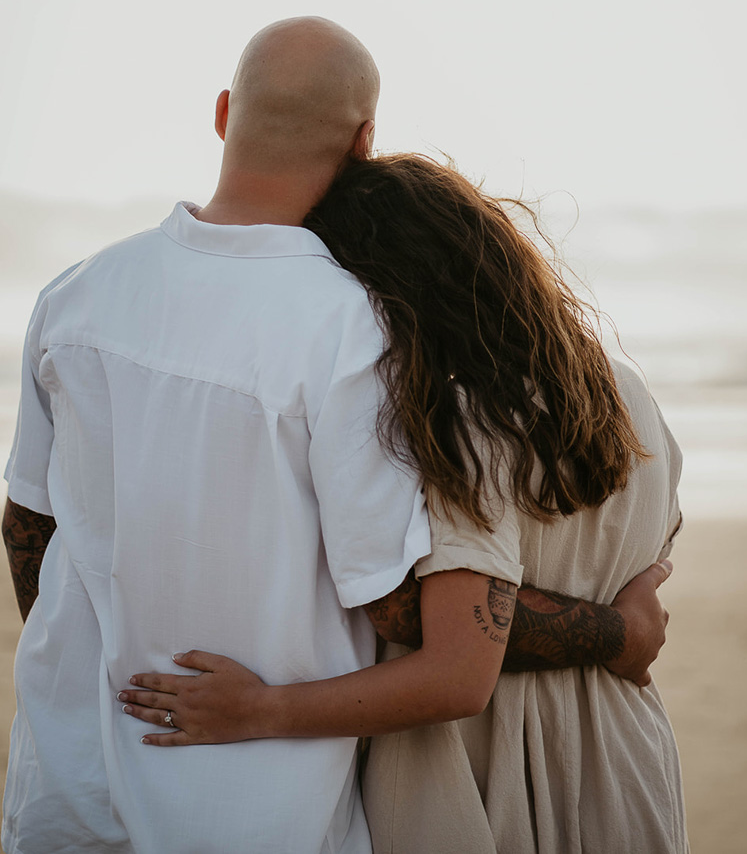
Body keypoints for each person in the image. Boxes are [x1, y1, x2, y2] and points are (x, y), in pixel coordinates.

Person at [2, 19, 670, 854]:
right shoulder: (357, 330)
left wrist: (94, 670)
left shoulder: (75, 295)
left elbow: (29, 530)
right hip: (258, 803)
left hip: (69, 786)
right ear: (364, 141)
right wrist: (613, 631)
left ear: (221, 113)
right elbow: (405, 607)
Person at [120, 153, 686, 853]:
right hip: (625, 764)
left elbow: (455, 673)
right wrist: (619, 629)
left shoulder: (465, 417)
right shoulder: (622, 388)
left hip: (485, 778)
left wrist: (257, 708)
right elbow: (649, 553)